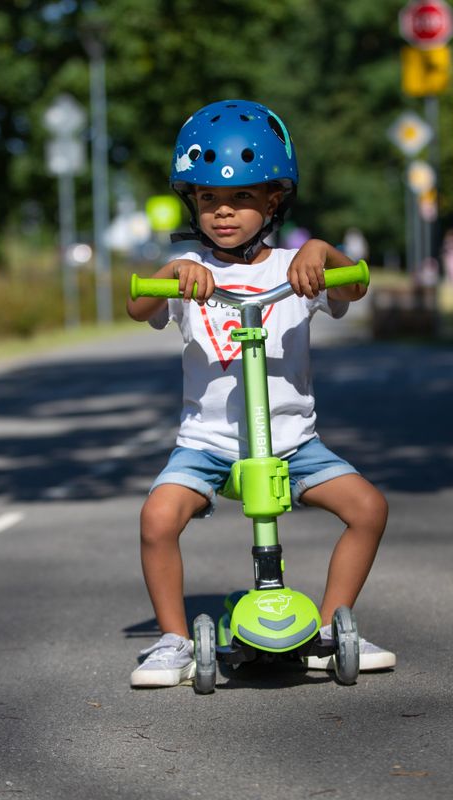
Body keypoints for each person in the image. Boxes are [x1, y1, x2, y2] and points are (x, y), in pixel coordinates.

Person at [126, 99, 395, 688]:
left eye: (242, 198)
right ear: (191, 202)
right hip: (209, 444)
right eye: (208, 199)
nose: (223, 212)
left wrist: (323, 253)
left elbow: (352, 288)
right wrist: (171, 274)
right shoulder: (190, 269)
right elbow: (137, 304)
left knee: (367, 508)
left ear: (274, 200)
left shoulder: (295, 269)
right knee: (157, 517)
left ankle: (329, 629)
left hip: (293, 443)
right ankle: (172, 640)